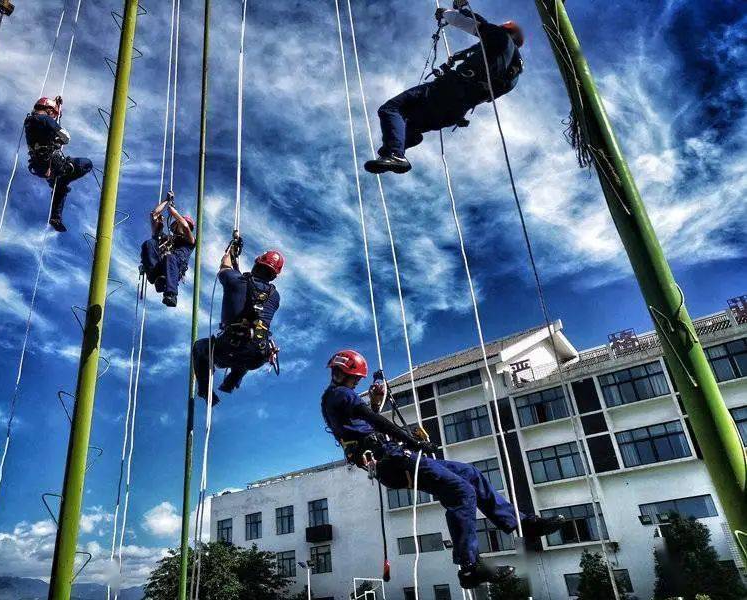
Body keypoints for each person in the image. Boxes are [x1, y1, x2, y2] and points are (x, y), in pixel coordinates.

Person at [321, 350, 564, 589]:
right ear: (347, 374)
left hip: (393, 458)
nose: (356, 383)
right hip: (392, 461)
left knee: (470, 474)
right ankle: (470, 567)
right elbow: (375, 422)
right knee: (461, 492)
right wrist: (411, 440)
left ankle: (522, 524)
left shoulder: (334, 399)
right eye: (357, 379)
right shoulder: (341, 394)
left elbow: (362, 422)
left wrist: (376, 400)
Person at [364, 0, 524, 175]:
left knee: (391, 109)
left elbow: (469, 21)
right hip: (455, 112)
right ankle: (406, 138)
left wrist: (448, 12)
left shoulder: (499, 36)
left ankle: (395, 152)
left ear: (509, 30)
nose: (502, 24)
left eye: (505, 24)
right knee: (407, 123)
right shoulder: (514, 72)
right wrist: (457, 62)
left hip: (446, 91)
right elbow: (489, 94)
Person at [192, 248, 284, 406]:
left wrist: (230, 251)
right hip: (258, 355)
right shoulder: (275, 296)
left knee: (200, 347)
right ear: (275, 275)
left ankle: (204, 389)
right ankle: (231, 381)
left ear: (257, 264)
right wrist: (236, 265)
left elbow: (224, 267)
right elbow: (249, 295)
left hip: (230, 347)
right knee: (248, 347)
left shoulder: (234, 280)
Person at [24, 96, 93, 232]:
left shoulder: (29, 122)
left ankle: (56, 217)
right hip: (54, 163)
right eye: (54, 114)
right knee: (86, 163)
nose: (54, 117)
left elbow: (44, 136)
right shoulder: (44, 119)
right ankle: (66, 169)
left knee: (60, 187)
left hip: (40, 166)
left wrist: (58, 107)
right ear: (48, 110)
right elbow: (66, 137)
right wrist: (58, 137)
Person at [140, 191, 196, 307]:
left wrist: (175, 213)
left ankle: (171, 294)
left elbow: (185, 226)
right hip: (159, 267)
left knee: (170, 257)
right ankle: (156, 278)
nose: (182, 225)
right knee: (150, 243)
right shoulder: (166, 238)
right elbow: (153, 215)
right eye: (178, 224)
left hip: (174, 266)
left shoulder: (189, 242)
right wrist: (166, 201)